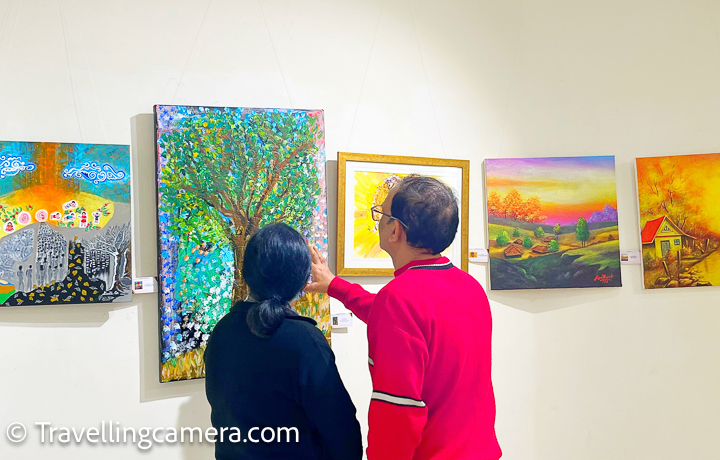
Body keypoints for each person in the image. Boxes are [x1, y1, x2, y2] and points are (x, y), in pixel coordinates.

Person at [307, 176, 501, 460]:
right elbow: (401, 320)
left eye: (381, 214)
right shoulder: (469, 287)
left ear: (395, 230)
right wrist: (335, 285)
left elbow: (397, 413)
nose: (379, 221)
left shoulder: (400, 299)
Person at [204, 222, 363, 460]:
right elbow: (340, 430)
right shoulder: (304, 341)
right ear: (301, 279)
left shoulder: (223, 330)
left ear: (246, 272)